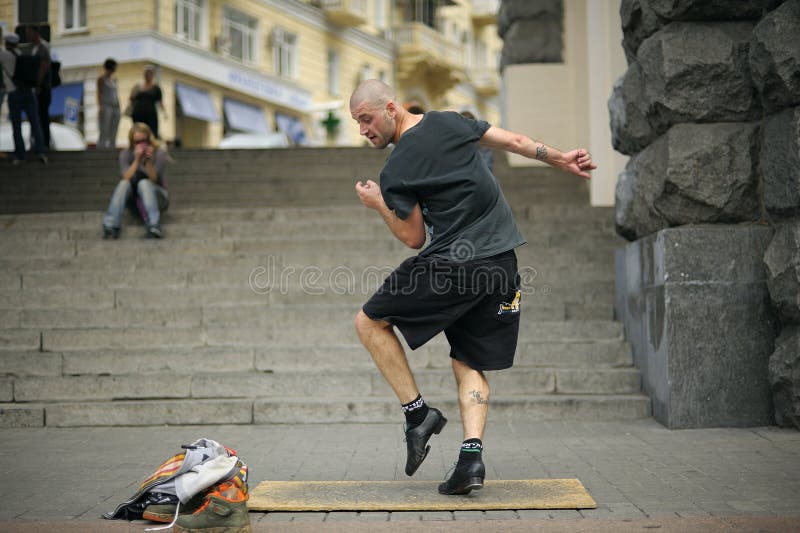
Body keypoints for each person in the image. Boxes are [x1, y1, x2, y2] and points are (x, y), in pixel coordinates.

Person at [349, 79, 595, 495]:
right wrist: (560, 159)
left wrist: (379, 205)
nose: (363, 130)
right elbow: (514, 140)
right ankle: (470, 459)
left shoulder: (395, 169)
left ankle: (417, 415)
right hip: (502, 266)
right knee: (468, 359)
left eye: (366, 119)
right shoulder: (452, 121)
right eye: (357, 123)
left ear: (390, 108)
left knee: (369, 323)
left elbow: (412, 238)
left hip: (454, 264)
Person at [101, 122, 169, 239]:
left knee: (144, 183)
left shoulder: (159, 153)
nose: (141, 145)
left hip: (158, 197)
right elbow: (126, 177)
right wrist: (137, 160)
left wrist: (147, 161)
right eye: (137, 142)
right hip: (134, 200)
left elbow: (154, 179)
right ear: (132, 142)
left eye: (144, 141)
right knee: (124, 183)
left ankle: (154, 225)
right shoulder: (126, 154)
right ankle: (110, 225)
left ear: (149, 139)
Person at [3, 32, 48, 165]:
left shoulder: (4, 55)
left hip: (14, 92)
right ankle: (41, 151)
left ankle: (21, 155)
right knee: (35, 122)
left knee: (16, 125)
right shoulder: (24, 54)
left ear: (6, 43)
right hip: (29, 91)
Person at [26, 25, 52, 151]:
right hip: (37, 86)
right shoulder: (33, 48)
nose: (28, 36)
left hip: (42, 87)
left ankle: (44, 143)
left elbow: (44, 66)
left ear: (36, 33)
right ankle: (38, 142)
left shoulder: (42, 47)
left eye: (29, 33)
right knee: (37, 114)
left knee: (42, 114)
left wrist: (37, 84)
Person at [129, 65, 166, 138]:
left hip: (150, 113)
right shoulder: (138, 86)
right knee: (138, 131)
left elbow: (160, 101)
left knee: (151, 131)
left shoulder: (156, 88)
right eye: (146, 73)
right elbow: (131, 98)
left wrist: (164, 112)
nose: (148, 75)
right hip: (138, 113)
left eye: (150, 74)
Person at [97, 58, 120, 148]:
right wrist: (100, 106)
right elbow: (99, 93)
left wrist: (119, 106)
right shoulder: (101, 79)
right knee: (105, 128)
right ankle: (102, 147)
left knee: (114, 128)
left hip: (115, 106)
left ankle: (112, 146)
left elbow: (116, 94)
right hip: (106, 106)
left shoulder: (114, 79)